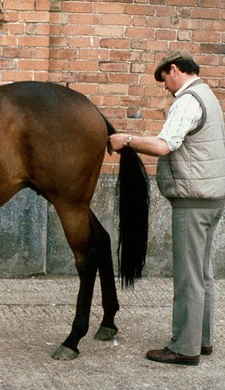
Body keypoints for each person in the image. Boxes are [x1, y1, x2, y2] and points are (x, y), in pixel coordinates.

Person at [109, 50, 225, 366]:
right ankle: (202, 341)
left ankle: (184, 348)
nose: (166, 89)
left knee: (188, 276)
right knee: (202, 273)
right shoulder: (208, 96)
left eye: (164, 81)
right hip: (212, 198)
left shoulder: (188, 100)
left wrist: (127, 139)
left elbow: (163, 145)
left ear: (174, 70)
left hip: (193, 200)